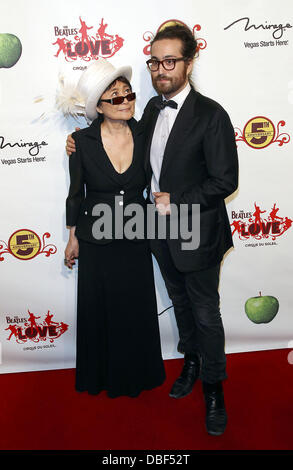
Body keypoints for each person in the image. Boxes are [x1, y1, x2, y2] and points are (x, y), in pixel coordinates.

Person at [66, 25, 239, 436]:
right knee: (180, 306)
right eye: (155, 62)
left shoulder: (211, 114)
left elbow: (225, 181)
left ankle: (214, 390)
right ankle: (191, 363)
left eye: (170, 61)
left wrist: (176, 200)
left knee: (206, 314)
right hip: (155, 232)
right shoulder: (148, 115)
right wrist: (74, 142)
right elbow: (102, 137)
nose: (161, 69)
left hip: (196, 232)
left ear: (189, 62)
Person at [63, 58, 165, 398]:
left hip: (137, 235)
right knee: (100, 309)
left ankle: (138, 375)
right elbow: (76, 194)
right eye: (116, 97)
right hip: (96, 239)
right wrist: (72, 238)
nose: (126, 101)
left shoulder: (146, 131)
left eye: (129, 94)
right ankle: (100, 376)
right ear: (100, 107)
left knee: (135, 308)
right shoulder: (82, 142)